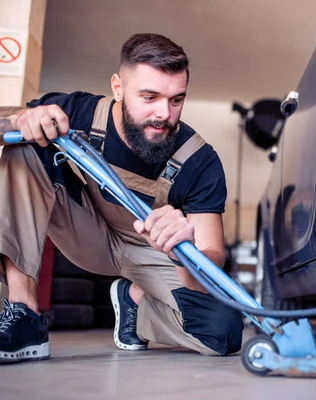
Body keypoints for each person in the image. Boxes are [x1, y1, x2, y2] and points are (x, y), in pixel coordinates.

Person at [0, 33, 243, 363]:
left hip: (150, 252)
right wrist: (18, 119)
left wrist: (185, 251)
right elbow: (11, 125)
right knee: (27, 144)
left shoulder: (200, 162)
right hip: (85, 234)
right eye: (149, 97)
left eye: (176, 100)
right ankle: (22, 313)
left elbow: (211, 254)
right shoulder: (79, 112)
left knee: (222, 331)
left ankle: (135, 302)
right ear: (118, 87)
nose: (163, 114)